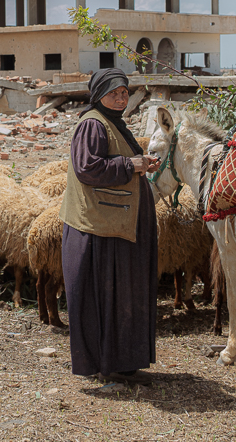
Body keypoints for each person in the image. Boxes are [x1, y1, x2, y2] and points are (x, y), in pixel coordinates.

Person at [59, 68, 161, 384]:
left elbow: (114, 160)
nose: (120, 98)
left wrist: (141, 164)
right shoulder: (92, 124)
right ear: (99, 95)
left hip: (116, 227)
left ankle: (122, 361)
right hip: (98, 230)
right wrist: (130, 164)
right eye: (113, 93)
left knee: (122, 297)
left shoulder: (113, 123)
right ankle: (105, 363)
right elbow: (87, 168)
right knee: (103, 298)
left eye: (124, 92)